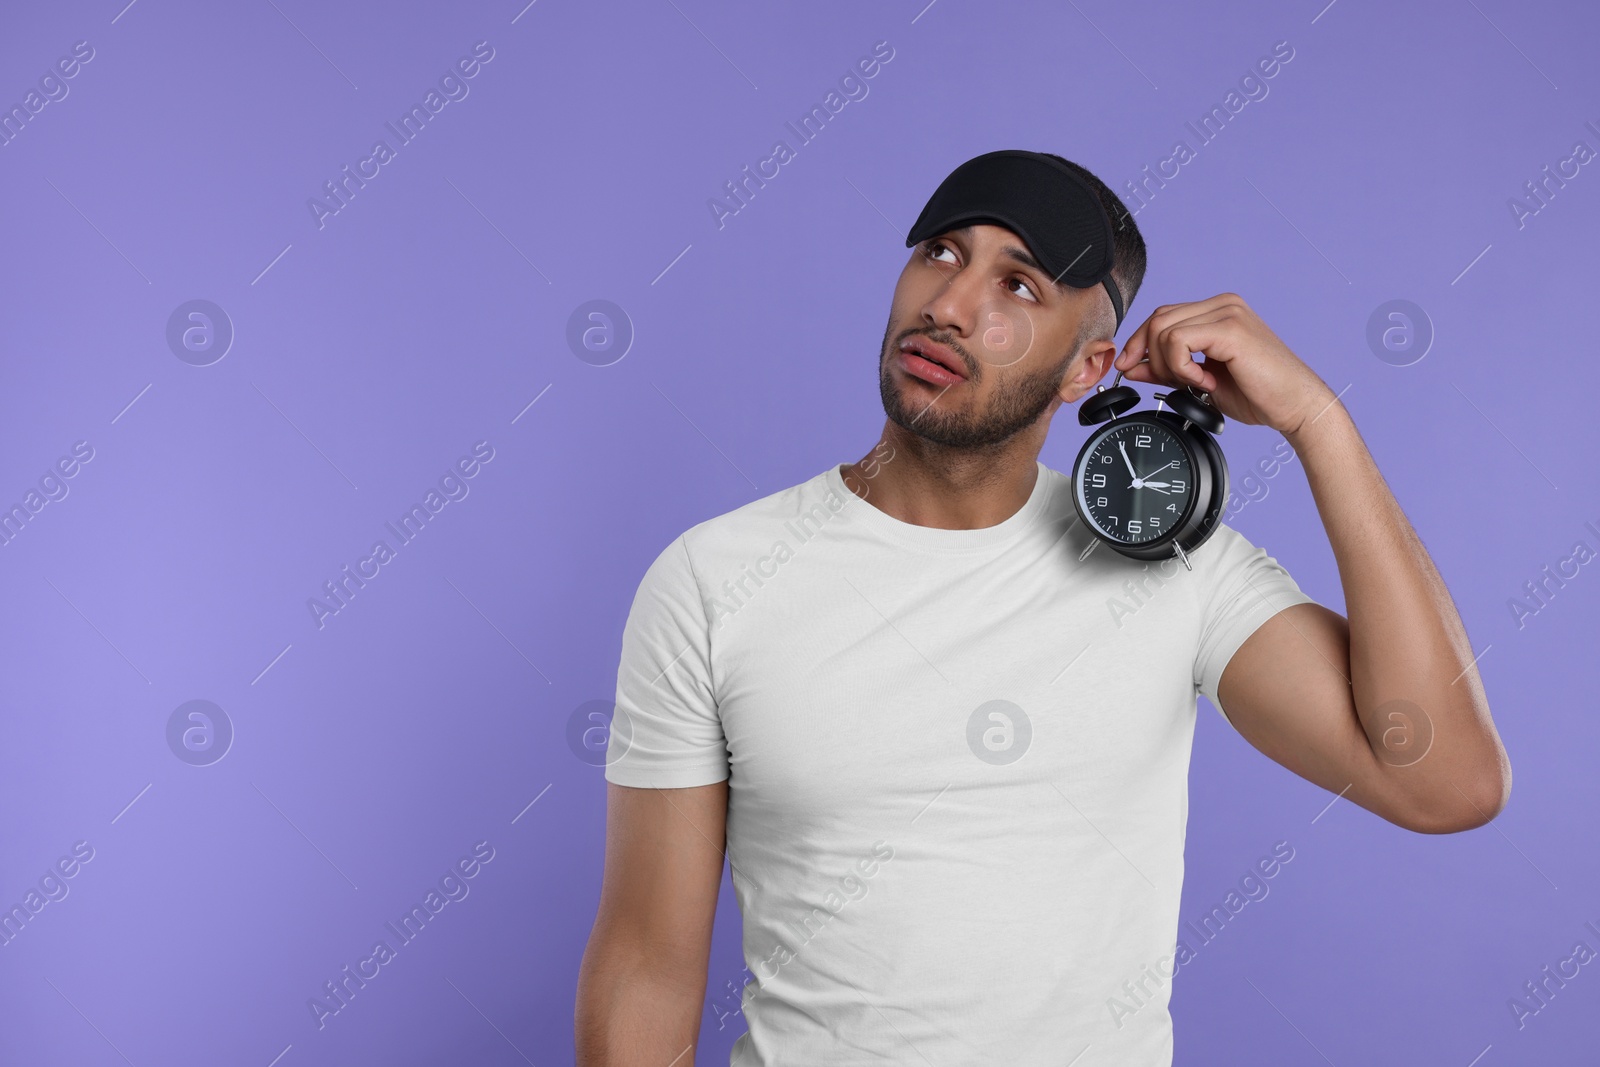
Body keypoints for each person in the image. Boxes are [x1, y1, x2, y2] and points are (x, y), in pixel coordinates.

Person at [574, 149, 1510, 1066]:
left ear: (1086, 368)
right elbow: (648, 969)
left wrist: (1317, 421)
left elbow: (1445, 781)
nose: (948, 304)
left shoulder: (1177, 569)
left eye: (1018, 286)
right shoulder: (713, 578)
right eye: (941, 251)